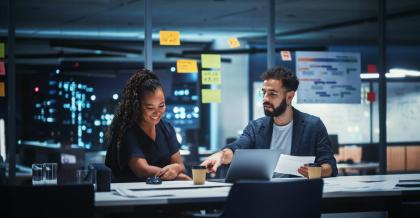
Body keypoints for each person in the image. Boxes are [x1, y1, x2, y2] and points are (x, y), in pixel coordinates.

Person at [201, 66, 337, 178]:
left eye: (272, 94)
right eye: (264, 93)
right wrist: (222, 155)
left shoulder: (312, 126)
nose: (265, 99)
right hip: (263, 193)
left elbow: (329, 165)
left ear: (289, 96)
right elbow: (238, 147)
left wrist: (316, 171)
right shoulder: (256, 127)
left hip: (299, 192)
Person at [105, 69, 190, 182]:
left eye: (161, 105)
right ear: (137, 106)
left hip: (163, 191)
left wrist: (176, 167)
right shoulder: (127, 131)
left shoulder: (167, 128)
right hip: (130, 193)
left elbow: (181, 166)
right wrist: (177, 175)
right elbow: (142, 170)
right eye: (150, 108)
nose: (157, 112)